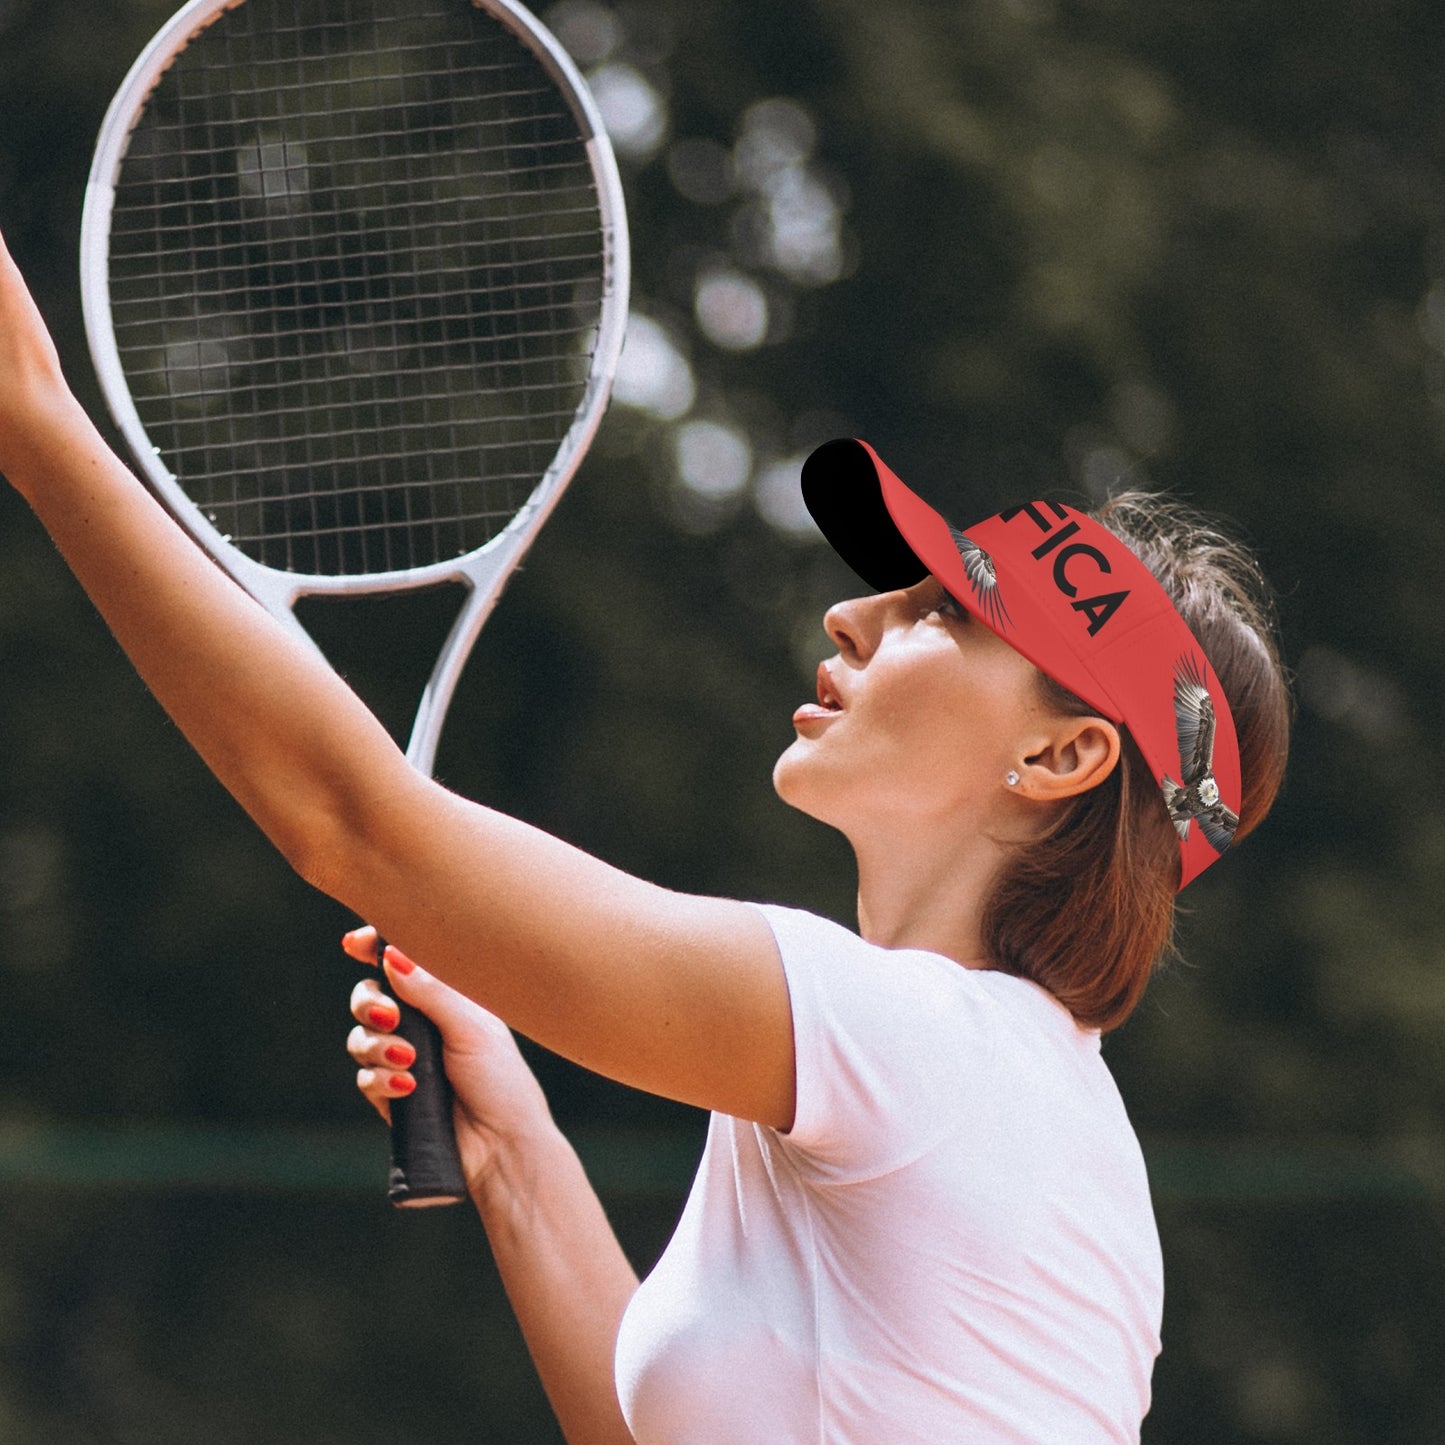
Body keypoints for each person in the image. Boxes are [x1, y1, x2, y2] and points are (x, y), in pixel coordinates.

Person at [0, 225, 1289, 1443]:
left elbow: (351, 823)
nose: (852, 620)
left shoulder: (909, 1047)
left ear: (1062, 757)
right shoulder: (976, 1089)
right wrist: (517, 1157)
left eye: (941, 615)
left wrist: (38, 421)